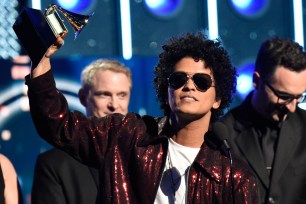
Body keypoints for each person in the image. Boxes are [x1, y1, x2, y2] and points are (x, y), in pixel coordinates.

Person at [25, 32, 259, 203]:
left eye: (201, 81)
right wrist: (41, 61)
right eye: (178, 79)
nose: (189, 86)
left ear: (218, 98)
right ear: (166, 90)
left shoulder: (233, 176)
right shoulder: (127, 136)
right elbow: (58, 124)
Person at [31, 59, 132, 204]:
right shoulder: (54, 164)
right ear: (83, 97)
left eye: (122, 95)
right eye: (104, 94)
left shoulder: (145, 153)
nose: (114, 105)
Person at [221, 37, 306, 204]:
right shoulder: (223, 134)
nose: (292, 108)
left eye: (299, 97)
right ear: (257, 81)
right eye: (284, 96)